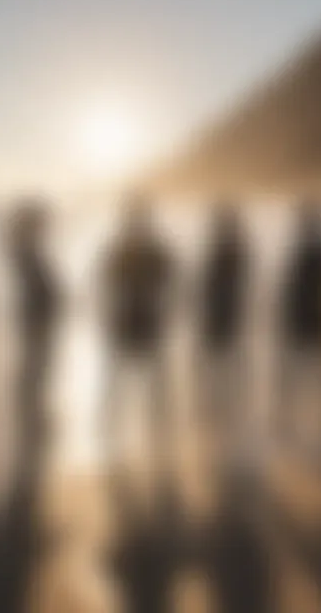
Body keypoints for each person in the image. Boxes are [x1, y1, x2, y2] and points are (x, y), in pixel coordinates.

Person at [100, 197, 175, 468]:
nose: (138, 225)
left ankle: (145, 436)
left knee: (146, 386)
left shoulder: (150, 251)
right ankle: (117, 436)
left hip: (143, 325)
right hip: (131, 324)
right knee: (126, 386)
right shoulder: (130, 251)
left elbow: (170, 286)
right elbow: (107, 289)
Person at [277, 200, 321, 457]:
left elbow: (299, 291)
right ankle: (308, 424)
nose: (301, 225)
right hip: (308, 325)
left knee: (310, 377)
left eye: (304, 220)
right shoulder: (319, 251)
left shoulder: (316, 253)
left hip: (310, 325)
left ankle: (319, 425)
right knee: (307, 377)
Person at [9, 199, 63, 478]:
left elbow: (45, 287)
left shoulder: (26, 249)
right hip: (36, 319)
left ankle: (34, 414)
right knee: (35, 366)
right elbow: (40, 288)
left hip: (37, 318)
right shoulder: (26, 250)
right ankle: (32, 417)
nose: (47, 227)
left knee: (36, 366)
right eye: (42, 221)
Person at [197, 203, 250, 432]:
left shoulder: (231, 255)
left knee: (224, 366)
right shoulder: (228, 254)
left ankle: (223, 403)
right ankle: (219, 402)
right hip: (219, 319)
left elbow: (227, 288)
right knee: (220, 366)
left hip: (225, 318)